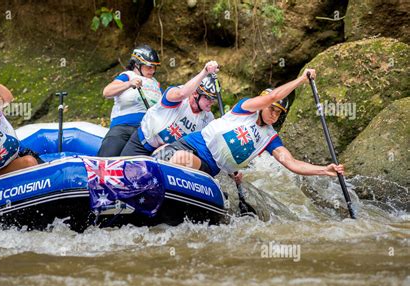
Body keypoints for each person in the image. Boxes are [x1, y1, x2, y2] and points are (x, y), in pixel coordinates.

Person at [155, 69, 344, 182]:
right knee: (162, 153)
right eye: (272, 109)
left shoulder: (270, 138)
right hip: (194, 142)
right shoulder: (246, 108)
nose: (274, 115)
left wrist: (324, 170)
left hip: (209, 164)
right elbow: (272, 97)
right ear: (262, 104)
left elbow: (291, 163)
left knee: (179, 158)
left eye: (279, 113)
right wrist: (302, 80)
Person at [120, 60, 219, 157]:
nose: (212, 102)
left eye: (214, 98)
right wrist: (205, 72)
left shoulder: (209, 118)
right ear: (195, 93)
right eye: (208, 98)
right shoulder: (176, 94)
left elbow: (211, 145)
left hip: (166, 154)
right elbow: (182, 94)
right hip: (142, 144)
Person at [97, 44, 163, 157]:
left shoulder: (156, 84)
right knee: (107, 158)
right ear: (137, 65)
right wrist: (128, 84)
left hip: (143, 132)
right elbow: (106, 92)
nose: (152, 71)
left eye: (154, 67)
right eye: (149, 67)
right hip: (123, 127)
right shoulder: (127, 76)